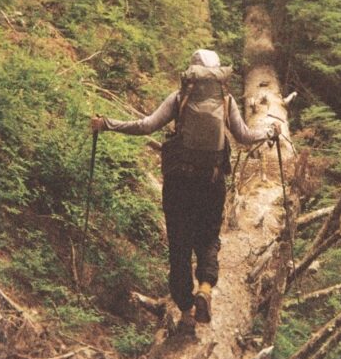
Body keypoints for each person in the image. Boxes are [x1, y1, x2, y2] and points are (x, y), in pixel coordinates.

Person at [90, 49, 277, 334]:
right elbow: (243, 137)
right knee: (208, 239)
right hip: (211, 183)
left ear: (191, 74)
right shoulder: (226, 101)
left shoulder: (180, 99)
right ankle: (204, 287)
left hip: (179, 183)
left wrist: (107, 124)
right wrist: (269, 132)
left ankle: (187, 312)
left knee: (179, 245)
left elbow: (146, 126)